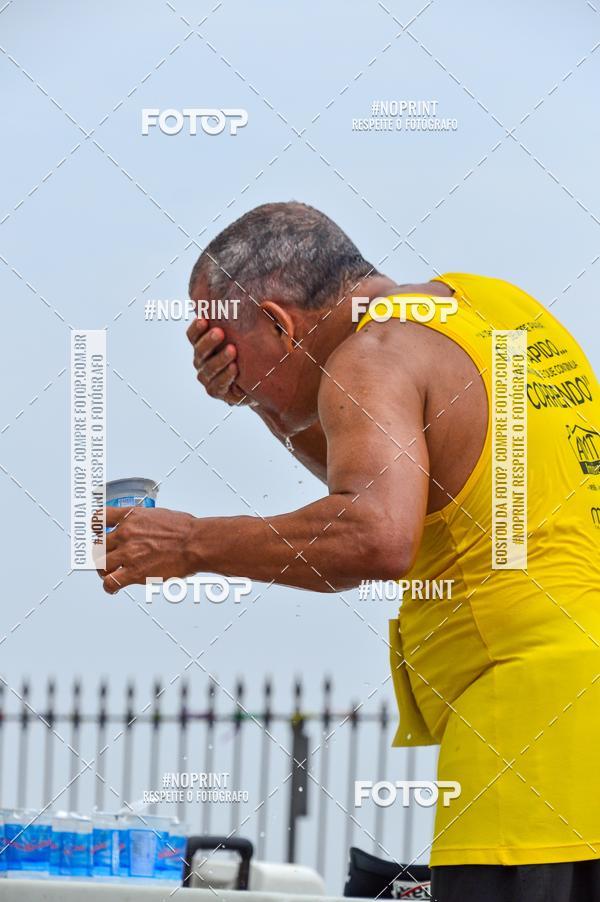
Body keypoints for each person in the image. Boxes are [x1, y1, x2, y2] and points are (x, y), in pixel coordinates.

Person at [100, 202, 600, 901]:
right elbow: (393, 478)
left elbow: (373, 533)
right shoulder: (495, 308)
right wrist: (261, 396)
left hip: (532, 743)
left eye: (227, 345)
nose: (215, 365)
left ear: (279, 322)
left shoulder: (373, 356)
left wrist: (188, 543)